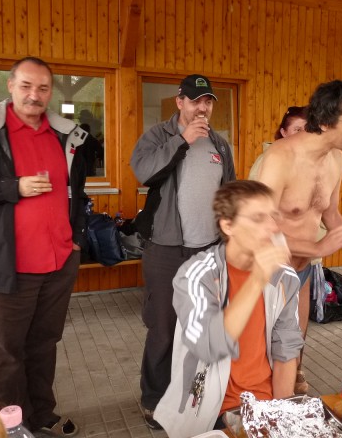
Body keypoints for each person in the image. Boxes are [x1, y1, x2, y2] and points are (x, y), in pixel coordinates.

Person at [0, 57, 88, 436]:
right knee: (7, 353)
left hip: (59, 262)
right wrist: (11, 187)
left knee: (44, 344)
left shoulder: (66, 135)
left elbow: (77, 192)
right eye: (26, 86)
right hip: (8, 264)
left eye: (43, 88)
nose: (35, 95)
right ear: (10, 86)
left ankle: (41, 414)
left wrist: (77, 238)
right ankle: (11, 426)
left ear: (50, 92)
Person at [153, 180, 303, 437]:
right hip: (208, 411)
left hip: (265, 404)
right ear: (227, 225)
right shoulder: (197, 275)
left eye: (272, 217)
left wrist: (280, 416)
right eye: (258, 218)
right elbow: (209, 345)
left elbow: (286, 350)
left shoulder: (284, 278)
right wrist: (257, 279)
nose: (272, 227)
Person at [130, 73, 236, 429]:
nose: (202, 108)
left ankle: (195, 396)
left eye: (207, 102)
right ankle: (153, 399)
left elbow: (229, 194)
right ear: (180, 102)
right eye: (195, 101)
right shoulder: (158, 136)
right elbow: (143, 172)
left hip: (208, 251)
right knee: (163, 326)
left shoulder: (220, 145)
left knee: (202, 327)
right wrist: (182, 140)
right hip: (166, 250)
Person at [256, 80, 342, 393]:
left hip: (303, 271)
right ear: (326, 121)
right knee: (260, 353)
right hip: (267, 271)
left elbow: (330, 214)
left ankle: (286, 395)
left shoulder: (337, 159)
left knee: (294, 346)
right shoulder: (280, 157)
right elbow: (259, 226)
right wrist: (318, 246)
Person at [248, 106, 307, 180]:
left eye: (307, 130)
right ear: (284, 132)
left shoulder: (310, 158)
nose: (304, 134)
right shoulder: (268, 159)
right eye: (298, 130)